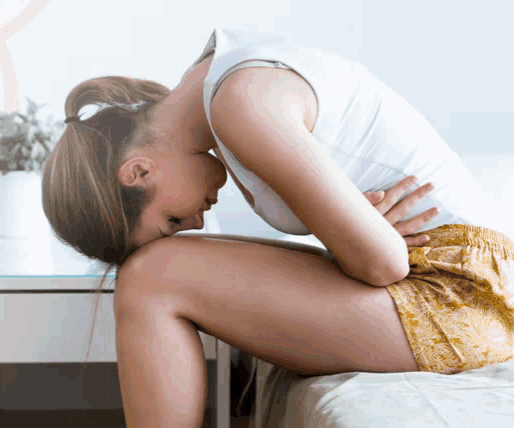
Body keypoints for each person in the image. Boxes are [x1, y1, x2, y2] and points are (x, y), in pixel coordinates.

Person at [41, 28, 514, 427]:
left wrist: (371, 239)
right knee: (152, 270)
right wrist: (362, 229)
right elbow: (370, 252)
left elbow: (384, 263)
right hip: (446, 279)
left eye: (171, 220)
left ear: (139, 172)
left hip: (459, 296)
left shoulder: (240, 103)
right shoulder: (218, 84)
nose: (196, 221)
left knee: (148, 276)